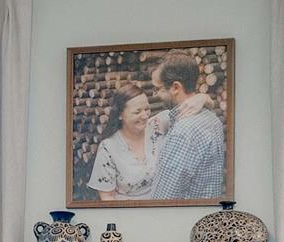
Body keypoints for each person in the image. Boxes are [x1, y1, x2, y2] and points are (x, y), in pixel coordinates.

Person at [146, 53, 227, 202]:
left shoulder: (182, 132)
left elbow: (163, 199)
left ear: (176, 87)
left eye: (158, 89)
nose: (155, 94)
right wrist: (205, 98)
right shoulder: (212, 118)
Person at [86, 87, 159, 200]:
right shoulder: (108, 148)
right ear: (120, 115)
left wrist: (198, 99)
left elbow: (184, 110)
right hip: (127, 213)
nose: (145, 116)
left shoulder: (157, 126)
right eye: (137, 112)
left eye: (147, 109)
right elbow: (107, 197)